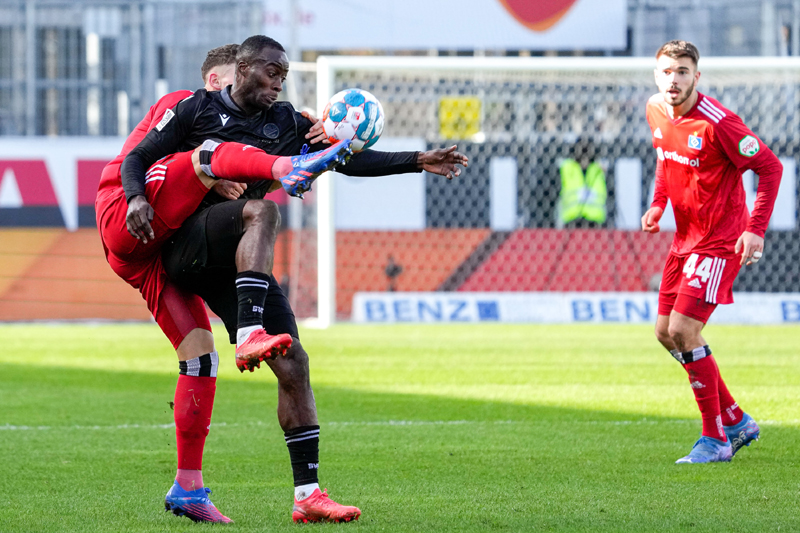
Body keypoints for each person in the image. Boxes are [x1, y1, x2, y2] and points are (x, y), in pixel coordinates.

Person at [120, 35, 469, 523]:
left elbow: (343, 161)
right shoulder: (194, 111)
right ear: (241, 69)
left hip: (236, 261)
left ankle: (307, 494)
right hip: (186, 248)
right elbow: (137, 158)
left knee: (295, 363)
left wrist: (415, 160)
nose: (278, 82)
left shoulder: (284, 123)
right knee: (262, 212)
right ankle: (248, 333)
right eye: (270, 71)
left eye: (283, 75)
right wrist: (136, 199)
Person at [96, 43, 353, 524]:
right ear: (222, 77)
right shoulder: (184, 105)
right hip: (128, 217)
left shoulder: (264, 119)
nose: (220, 93)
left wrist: (325, 140)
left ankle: (191, 488)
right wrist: (258, 169)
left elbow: (278, 155)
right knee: (211, 159)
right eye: (217, 82)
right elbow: (151, 160)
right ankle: (250, 329)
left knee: (201, 358)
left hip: (161, 255)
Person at [641, 40, 782, 464]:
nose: (674, 79)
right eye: (667, 71)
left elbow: (770, 167)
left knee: (684, 330)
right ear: (656, 75)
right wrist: (658, 203)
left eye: (683, 71)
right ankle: (736, 420)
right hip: (684, 239)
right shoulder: (655, 110)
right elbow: (667, 160)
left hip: (721, 240)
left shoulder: (719, 123)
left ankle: (716, 439)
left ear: (696, 77)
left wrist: (755, 230)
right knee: (665, 334)